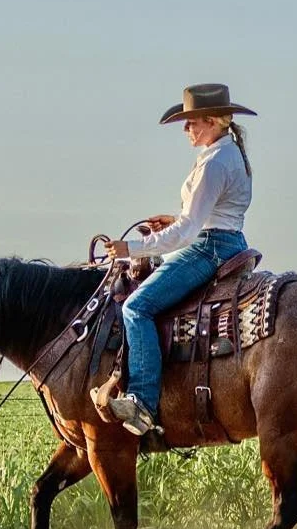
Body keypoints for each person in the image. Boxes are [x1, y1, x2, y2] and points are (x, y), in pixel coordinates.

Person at [104, 83, 256, 435]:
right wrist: (173, 221)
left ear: (213, 121)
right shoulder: (229, 153)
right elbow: (210, 214)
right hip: (228, 240)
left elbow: (189, 233)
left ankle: (142, 402)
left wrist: (132, 249)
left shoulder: (215, 163)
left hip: (209, 247)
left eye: (191, 122)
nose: (186, 129)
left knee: (135, 308)